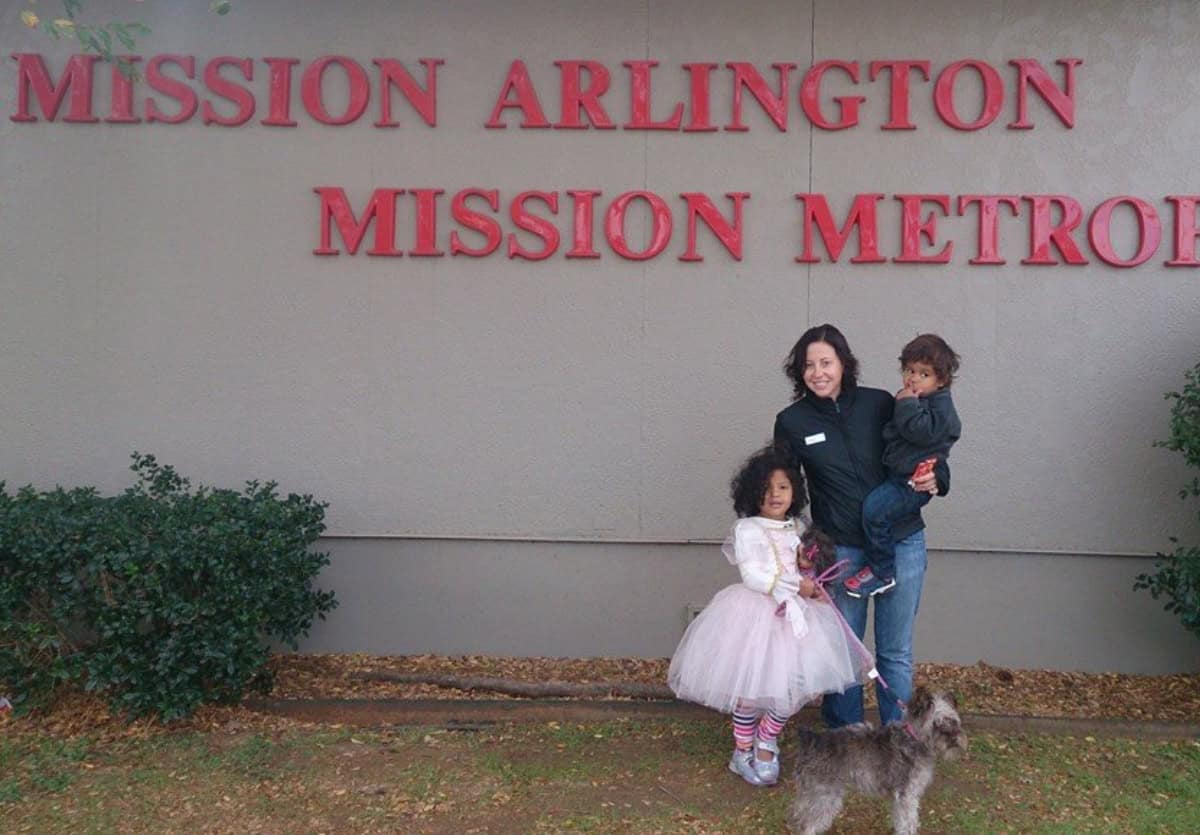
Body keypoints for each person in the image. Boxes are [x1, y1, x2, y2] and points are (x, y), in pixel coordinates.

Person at [667, 444, 872, 787]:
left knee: (790, 690)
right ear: (752, 492)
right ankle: (743, 750)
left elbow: (803, 564)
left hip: (796, 616)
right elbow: (754, 576)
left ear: (794, 491)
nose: (775, 494)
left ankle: (767, 738)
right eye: (766, 488)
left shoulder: (797, 526)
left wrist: (812, 576)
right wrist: (796, 586)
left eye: (783, 487)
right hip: (756, 615)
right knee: (750, 690)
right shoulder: (747, 529)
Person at [772, 324, 943, 729]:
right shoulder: (792, 421)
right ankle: (844, 740)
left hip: (902, 543)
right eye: (808, 365)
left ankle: (898, 742)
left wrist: (939, 479)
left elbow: (924, 447)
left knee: (895, 652)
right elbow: (785, 489)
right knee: (843, 651)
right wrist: (791, 541)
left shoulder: (880, 403)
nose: (818, 372)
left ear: (844, 365)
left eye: (826, 362)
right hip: (842, 550)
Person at [844, 334, 962, 599]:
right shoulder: (916, 400)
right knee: (876, 509)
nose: (914, 378)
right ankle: (880, 567)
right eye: (910, 370)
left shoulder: (938, 406)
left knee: (875, 510)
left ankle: (881, 572)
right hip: (899, 477)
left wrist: (906, 403)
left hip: (912, 482)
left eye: (924, 374)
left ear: (941, 380)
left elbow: (920, 433)